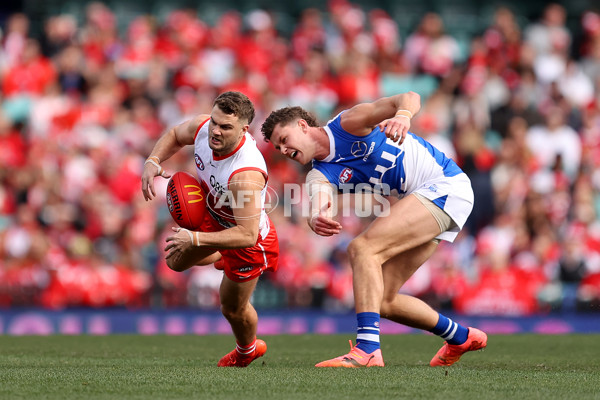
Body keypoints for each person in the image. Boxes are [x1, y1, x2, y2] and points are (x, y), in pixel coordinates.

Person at [261, 91, 487, 368]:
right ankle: (460, 337)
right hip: (430, 199)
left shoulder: (348, 124)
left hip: (445, 186)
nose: (283, 150)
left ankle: (367, 350)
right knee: (380, 300)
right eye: (277, 148)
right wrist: (317, 215)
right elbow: (320, 197)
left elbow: (409, 97)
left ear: (303, 126)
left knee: (362, 248)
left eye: (284, 140)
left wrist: (403, 116)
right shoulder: (318, 173)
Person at [141, 91, 278, 367]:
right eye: (215, 121)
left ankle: (246, 351)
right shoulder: (205, 128)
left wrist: (195, 238)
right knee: (173, 261)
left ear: (243, 129)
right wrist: (152, 162)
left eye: (225, 127)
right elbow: (176, 135)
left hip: (248, 241)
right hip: (215, 214)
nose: (216, 130)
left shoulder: (245, 175)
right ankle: (218, 252)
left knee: (231, 308)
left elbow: (247, 234)